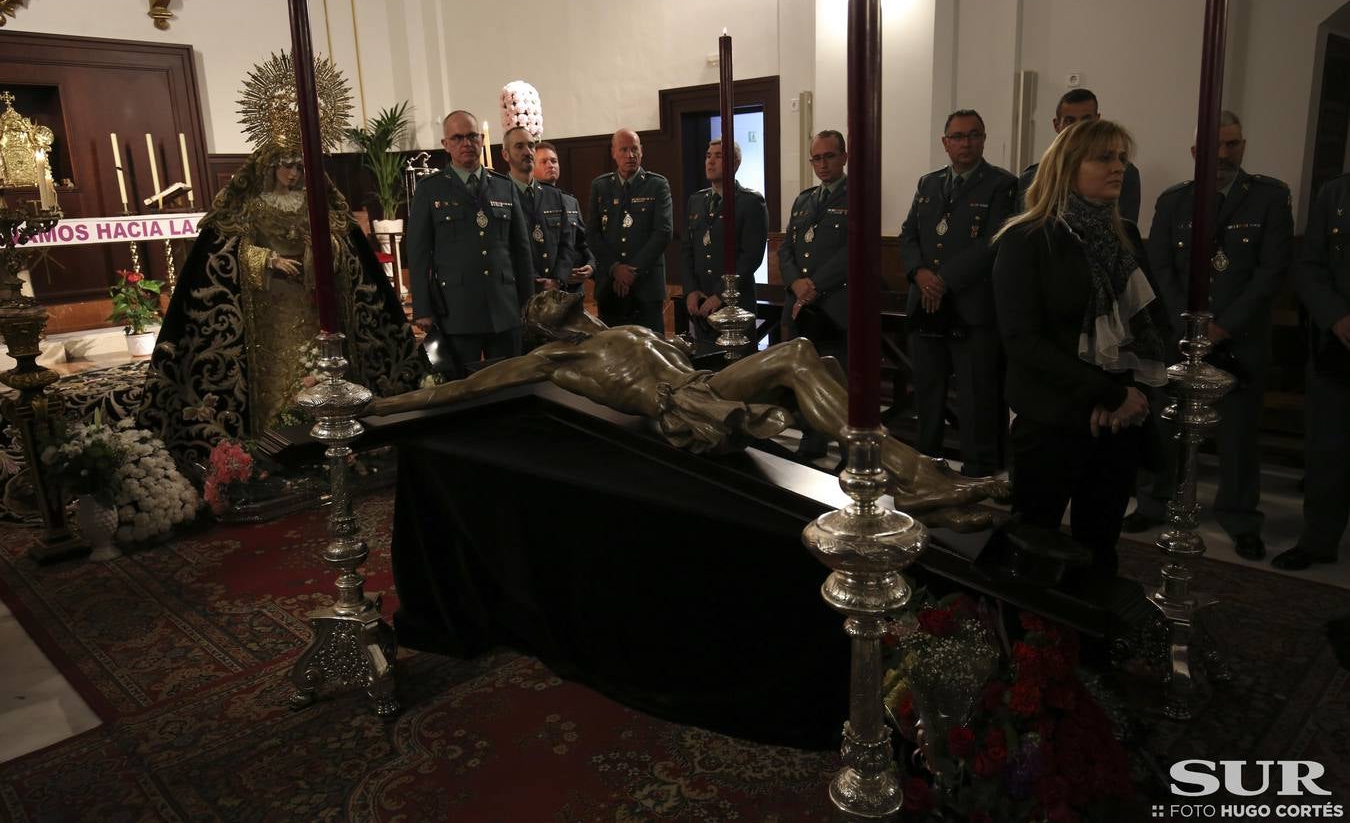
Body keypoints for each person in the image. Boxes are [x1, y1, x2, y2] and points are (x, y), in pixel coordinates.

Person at [371, 288, 1011, 528]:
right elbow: (464, 388)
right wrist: (384, 404)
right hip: (686, 414)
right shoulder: (554, 358)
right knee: (795, 356)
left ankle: (913, 481)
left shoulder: (616, 327)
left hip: (702, 387)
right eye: (538, 302)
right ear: (541, 327)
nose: (546, 293)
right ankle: (915, 478)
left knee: (810, 356)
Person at [137, 57, 420, 467]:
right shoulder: (250, 205)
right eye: (287, 164)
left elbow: (344, 247)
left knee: (321, 366)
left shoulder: (317, 202)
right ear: (270, 166)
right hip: (268, 311)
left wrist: (318, 252)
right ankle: (276, 439)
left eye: (300, 165)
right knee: (276, 377)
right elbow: (228, 249)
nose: (294, 172)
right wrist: (266, 259)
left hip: (313, 305)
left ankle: (330, 431)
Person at [991, 118, 1167, 576]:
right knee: (1033, 545)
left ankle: (1094, 618)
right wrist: (1104, 394)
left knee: (1099, 545)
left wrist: (1127, 396)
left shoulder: (1123, 235)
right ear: (1067, 168)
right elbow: (1023, 341)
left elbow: (1145, 326)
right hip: (1053, 415)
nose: (1118, 167)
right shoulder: (1027, 238)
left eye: (1122, 158)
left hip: (1118, 419)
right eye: (1104, 158)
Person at [1138, 110, 1294, 560]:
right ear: (1196, 151)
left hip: (1239, 339)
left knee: (1238, 437)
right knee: (1165, 427)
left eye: (1232, 144)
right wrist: (1188, 323)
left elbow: (1272, 271)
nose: (1223, 154)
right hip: (1181, 336)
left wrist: (1224, 326)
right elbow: (1160, 265)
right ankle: (1155, 503)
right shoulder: (1174, 201)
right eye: (1214, 146)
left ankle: (1240, 517)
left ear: (1243, 146)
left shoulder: (1268, 198)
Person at [899, 109, 1017, 476]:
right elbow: (908, 236)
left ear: (983, 139)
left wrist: (943, 279)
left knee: (977, 394)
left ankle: (979, 468)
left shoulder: (1002, 184)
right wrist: (920, 274)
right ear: (945, 142)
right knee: (927, 391)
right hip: (926, 305)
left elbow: (993, 241)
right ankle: (927, 464)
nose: (966, 143)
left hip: (971, 307)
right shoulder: (928, 183)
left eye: (973, 135)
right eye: (958, 136)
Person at [407, 110, 535, 378]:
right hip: (457, 310)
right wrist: (422, 308)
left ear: (481, 140)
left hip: (504, 308)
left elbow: (521, 250)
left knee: (510, 383)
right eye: (457, 138)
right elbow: (418, 253)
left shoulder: (504, 186)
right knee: (461, 387)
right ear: (446, 144)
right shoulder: (430, 189)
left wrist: (528, 302)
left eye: (472, 136)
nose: (466, 143)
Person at [1277, 172, 1350, 570]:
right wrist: (1336, 317)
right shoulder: (1335, 193)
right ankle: (1319, 539)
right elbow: (1309, 265)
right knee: (1327, 450)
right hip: (1336, 344)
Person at [778, 129, 850, 458]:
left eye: (829, 156)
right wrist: (796, 283)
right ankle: (812, 437)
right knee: (804, 376)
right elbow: (787, 249)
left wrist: (814, 286)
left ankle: (849, 448)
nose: (822, 164)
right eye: (816, 158)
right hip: (800, 307)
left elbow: (854, 251)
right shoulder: (804, 199)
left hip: (834, 307)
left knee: (838, 381)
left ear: (844, 157)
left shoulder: (858, 196)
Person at [681, 138, 768, 341]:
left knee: (737, 359)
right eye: (708, 156)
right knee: (706, 357)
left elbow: (751, 257)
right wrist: (691, 290)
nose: (710, 161)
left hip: (735, 304)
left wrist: (720, 295)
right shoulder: (696, 201)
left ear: (735, 163)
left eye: (718, 156)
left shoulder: (750, 202)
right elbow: (687, 249)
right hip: (702, 303)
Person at [586, 128, 672, 333]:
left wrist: (632, 272)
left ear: (642, 151)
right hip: (610, 287)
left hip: (647, 287)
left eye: (634, 149)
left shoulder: (657, 185)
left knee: (652, 348)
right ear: (613, 153)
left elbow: (663, 232)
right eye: (623, 150)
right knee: (612, 348)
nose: (630, 155)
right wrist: (615, 268)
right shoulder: (600, 186)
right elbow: (593, 234)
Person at [1018, 88, 1142, 224]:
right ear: (1057, 125)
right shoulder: (1030, 177)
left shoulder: (1124, 173)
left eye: (1086, 120)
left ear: (1097, 121)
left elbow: (1123, 227)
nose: (1078, 127)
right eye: (1070, 121)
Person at [501, 126, 574, 292]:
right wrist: (535, 281)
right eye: (519, 146)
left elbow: (566, 244)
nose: (527, 151)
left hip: (556, 290)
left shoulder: (553, 195)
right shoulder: (499, 194)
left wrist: (557, 279)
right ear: (505, 155)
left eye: (531, 145)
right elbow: (502, 249)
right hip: (520, 290)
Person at [534, 141, 593, 291]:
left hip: (574, 287)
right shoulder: (530, 201)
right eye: (544, 161)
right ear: (532, 167)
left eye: (554, 161)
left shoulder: (570, 201)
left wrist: (591, 264)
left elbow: (582, 241)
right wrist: (561, 275)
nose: (550, 165)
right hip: (547, 285)